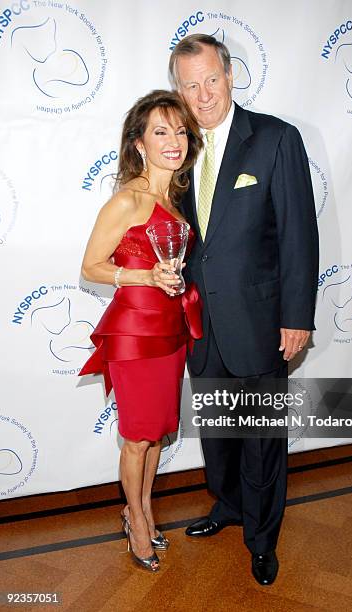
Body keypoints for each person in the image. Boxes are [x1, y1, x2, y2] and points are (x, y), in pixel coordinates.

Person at [169, 35, 319, 585]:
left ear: (230, 75)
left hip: (260, 320)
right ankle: (228, 506)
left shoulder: (276, 139)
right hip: (199, 324)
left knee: (261, 436)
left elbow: (300, 234)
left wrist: (297, 315)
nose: (203, 94)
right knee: (219, 432)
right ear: (178, 90)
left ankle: (262, 536)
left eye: (211, 79)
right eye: (190, 84)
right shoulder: (175, 150)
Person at [79, 90, 203, 572]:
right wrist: (145, 277)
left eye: (179, 131)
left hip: (170, 331)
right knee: (136, 438)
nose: (173, 140)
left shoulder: (172, 202)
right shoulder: (128, 200)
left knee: (154, 435)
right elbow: (91, 266)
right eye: (160, 131)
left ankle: (145, 510)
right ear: (138, 143)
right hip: (134, 334)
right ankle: (134, 520)